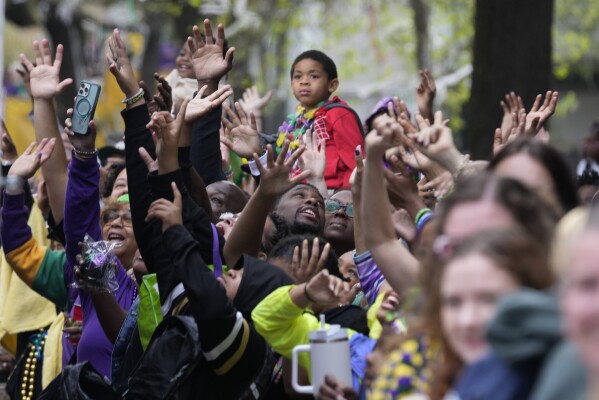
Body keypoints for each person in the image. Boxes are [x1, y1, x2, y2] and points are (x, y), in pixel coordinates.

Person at [274, 50, 365, 189]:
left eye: (314, 76)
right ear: (291, 83)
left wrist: (346, 201)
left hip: (332, 195)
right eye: (297, 77)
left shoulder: (338, 113)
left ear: (332, 85)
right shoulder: (296, 120)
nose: (304, 82)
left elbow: (355, 163)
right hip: (299, 192)